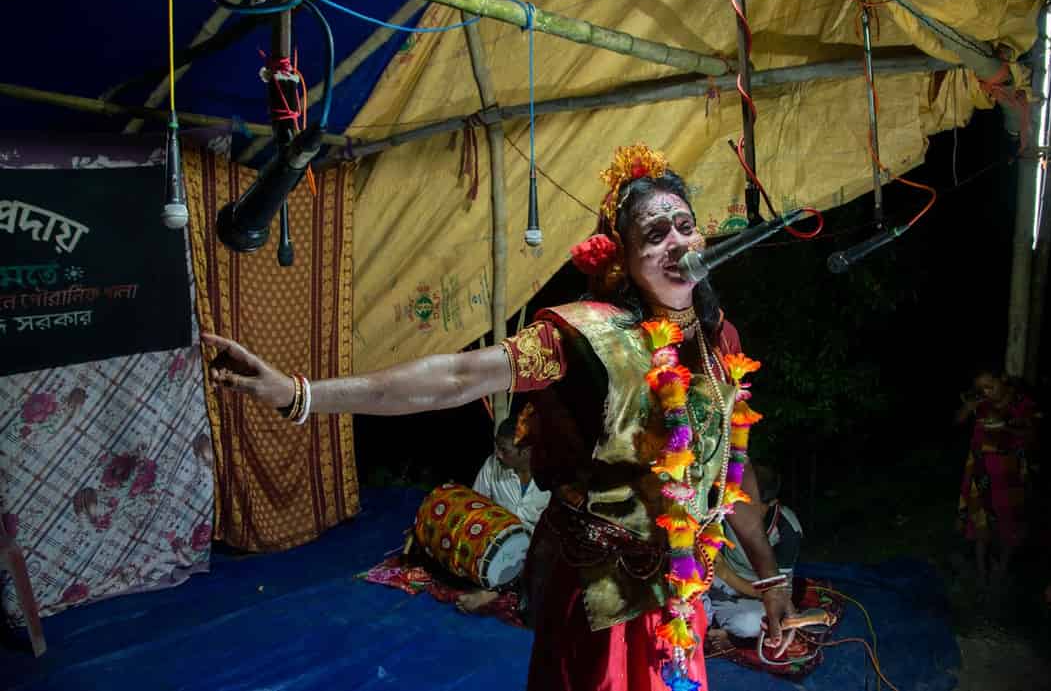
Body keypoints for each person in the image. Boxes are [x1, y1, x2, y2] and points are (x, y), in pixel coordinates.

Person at [201, 143, 793, 691]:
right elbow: (454, 378)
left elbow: (725, 475)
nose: (675, 243)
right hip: (601, 597)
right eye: (654, 233)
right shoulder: (586, 337)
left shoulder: (720, 342)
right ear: (622, 258)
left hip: (679, 594)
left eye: (684, 228)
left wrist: (768, 579)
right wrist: (301, 395)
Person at [456, 409, 551, 613]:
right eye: (497, 448)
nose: (497, 455)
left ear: (525, 451)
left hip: (537, 551)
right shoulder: (493, 466)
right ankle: (501, 588)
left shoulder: (553, 475)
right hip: (495, 542)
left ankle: (492, 592)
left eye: (504, 450)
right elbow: (475, 506)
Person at [955, 368, 1038, 589]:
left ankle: (1002, 568)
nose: (986, 391)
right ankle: (982, 572)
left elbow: (1032, 433)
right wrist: (968, 406)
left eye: (990, 385)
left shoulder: (1021, 402)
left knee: (1008, 518)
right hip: (981, 469)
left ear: (1002, 379)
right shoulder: (981, 402)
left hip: (1009, 470)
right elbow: (958, 419)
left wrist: (1006, 426)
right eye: (981, 388)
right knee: (979, 519)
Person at [703, 470, 802, 654]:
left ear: (772, 503)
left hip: (754, 596)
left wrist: (727, 575)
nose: (744, 511)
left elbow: (780, 594)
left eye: (752, 505)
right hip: (718, 584)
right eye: (741, 501)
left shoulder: (787, 529)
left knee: (755, 621)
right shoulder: (727, 507)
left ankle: (717, 627)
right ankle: (708, 622)